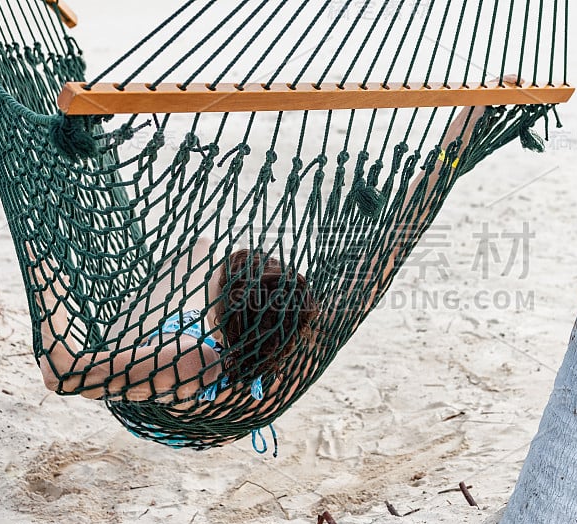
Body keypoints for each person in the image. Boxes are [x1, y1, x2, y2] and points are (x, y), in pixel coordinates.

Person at [32, 99, 495, 447]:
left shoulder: (192, 359)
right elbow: (401, 228)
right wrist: (468, 125)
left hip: (173, 406)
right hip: (240, 405)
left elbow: (61, 374)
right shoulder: (305, 341)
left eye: (217, 282)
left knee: (194, 250)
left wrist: (44, 271)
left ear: (218, 315)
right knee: (200, 250)